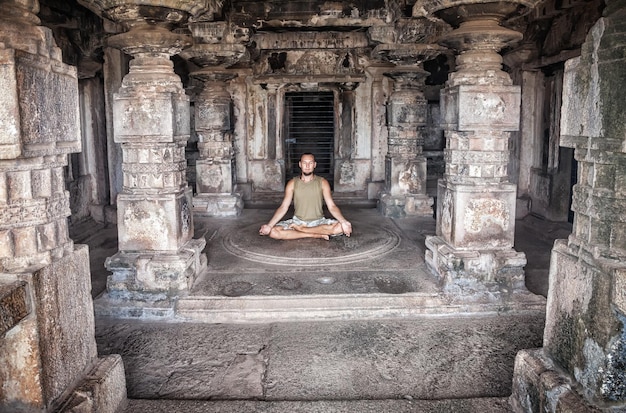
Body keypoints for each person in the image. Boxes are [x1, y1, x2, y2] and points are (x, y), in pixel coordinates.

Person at [259, 153, 353, 240]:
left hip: (319, 222)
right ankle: (314, 234)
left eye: (310, 163)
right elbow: (283, 207)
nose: (307, 166)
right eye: (304, 163)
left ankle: (300, 230)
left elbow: (332, 206)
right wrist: (269, 225)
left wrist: (343, 221)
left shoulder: (323, 182)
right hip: (298, 221)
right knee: (273, 232)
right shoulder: (292, 183)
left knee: (340, 227)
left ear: (314, 165)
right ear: (300, 164)